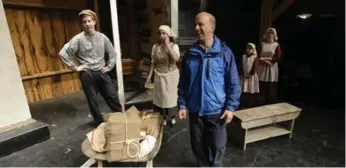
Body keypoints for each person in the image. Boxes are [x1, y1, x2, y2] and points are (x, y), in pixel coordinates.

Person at [177, 12, 241, 167]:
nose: (196, 28)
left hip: (216, 110)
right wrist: (182, 104)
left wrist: (231, 107)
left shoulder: (224, 53)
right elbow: (184, 82)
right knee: (198, 145)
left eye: (200, 24)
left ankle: (215, 165)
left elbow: (233, 82)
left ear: (212, 27)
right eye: (195, 24)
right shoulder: (190, 54)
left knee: (218, 145)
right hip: (195, 109)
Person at [59, 9, 121, 126]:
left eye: (89, 21)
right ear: (82, 24)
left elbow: (112, 53)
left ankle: (121, 119)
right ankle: (99, 123)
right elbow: (63, 53)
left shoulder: (102, 38)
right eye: (84, 22)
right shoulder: (78, 39)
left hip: (101, 71)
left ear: (94, 22)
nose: (87, 24)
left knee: (112, 95)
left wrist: (109, 66)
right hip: (87, 73)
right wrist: (75, 67)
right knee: (92, 100)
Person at [146, 25, 180, 127]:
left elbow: (175, 59)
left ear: (168, 34)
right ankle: (164, 117)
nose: (161, 35)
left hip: (171, 75)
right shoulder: (155, 47)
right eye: (160, 33)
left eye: (164, 33)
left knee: (170, 98)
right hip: (159, 74)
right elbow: (153, 62)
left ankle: (172, 116)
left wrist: (168, 45)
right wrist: (149, 75)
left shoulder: (174, 46)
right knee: (161, 98)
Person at [257, 27, 282, 105]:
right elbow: (257, 55)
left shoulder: (276, 45)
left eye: (272, 33)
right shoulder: (262, 44)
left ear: (274, 35)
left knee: (270, 86)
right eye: (268, 33)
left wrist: (267, 60)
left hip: (272, 67)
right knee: (262, 84)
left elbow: (278, 57)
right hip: (262, 66)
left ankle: (270, 103)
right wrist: (264, 61)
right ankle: (260, 102)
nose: (270, 35)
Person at [239, 43, 260, 108]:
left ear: (253, 50)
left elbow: (255, 67)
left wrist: (251, 74)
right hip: (244, 76)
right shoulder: (243, 57)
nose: (248, 50)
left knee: (251, 89)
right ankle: (244, 103)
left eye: (250, 49)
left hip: (251, 77)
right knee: (244, 89)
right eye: (247, 48)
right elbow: (241, 65)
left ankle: (251, 103)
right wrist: (243, 73)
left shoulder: (255, 58)